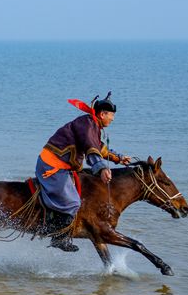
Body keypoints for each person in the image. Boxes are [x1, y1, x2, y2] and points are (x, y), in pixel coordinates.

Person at [36, 92, 131, 227]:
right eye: (112, 115)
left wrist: (119, 158)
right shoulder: (88, 125)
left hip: (63, 166)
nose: (113, 119)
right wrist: (102, 168)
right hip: (52, 166)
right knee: (73, 203)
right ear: (102, 114)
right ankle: (57, 235)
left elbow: (99, 148)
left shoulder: (91, 124)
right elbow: (91, 148)